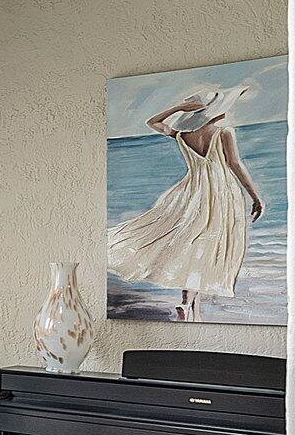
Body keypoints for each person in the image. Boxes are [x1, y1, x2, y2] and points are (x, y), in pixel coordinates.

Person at [106, 81, 266, 320]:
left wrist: (178, 108)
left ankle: (192, 309)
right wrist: (255, 196)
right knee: (205, 246)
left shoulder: (183, 135)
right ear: (214, 111)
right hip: (220, 194)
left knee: (195, 244)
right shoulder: (224, 133)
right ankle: (187, 303)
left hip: (191, 192)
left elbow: (153, 123)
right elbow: (235, 165)